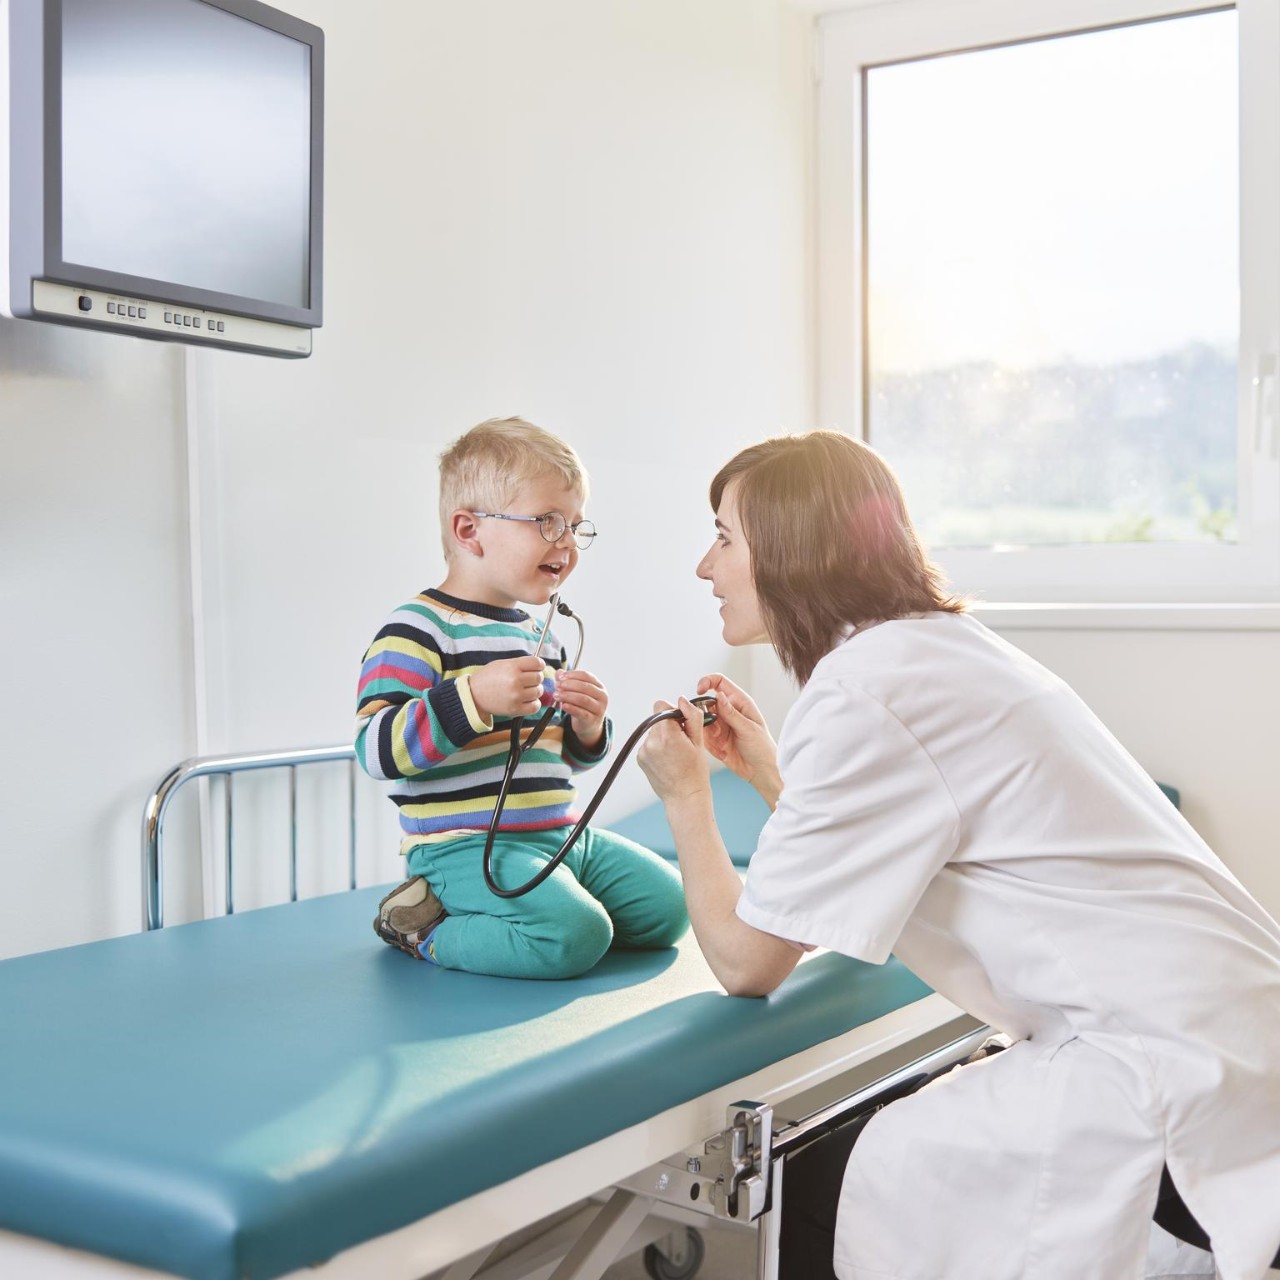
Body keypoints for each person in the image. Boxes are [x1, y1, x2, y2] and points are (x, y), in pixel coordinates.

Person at [636, 430, 1280, 1280]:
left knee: (873, 1173)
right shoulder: (932, 649)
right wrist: (765, 769)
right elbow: (892, 835)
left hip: (1159, 1077)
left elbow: (749, 960)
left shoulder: (865, 686)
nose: (704, 567)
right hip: (1234, 1041)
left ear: (792, 551)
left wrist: (682, 795)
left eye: (724, 537)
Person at [356, 416, 687, 979]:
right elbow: (376, 749)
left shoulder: (543, 635)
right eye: (547, 521)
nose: (567, 543)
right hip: (463, 848)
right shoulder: (417, 629)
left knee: (672, 910)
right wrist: (472, 698)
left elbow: (557, 760)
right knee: (575, 935)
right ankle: (424, 927)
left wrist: (587, 729)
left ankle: (538, 906)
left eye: (575, 525)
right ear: (469, 531)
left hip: (560, 835)